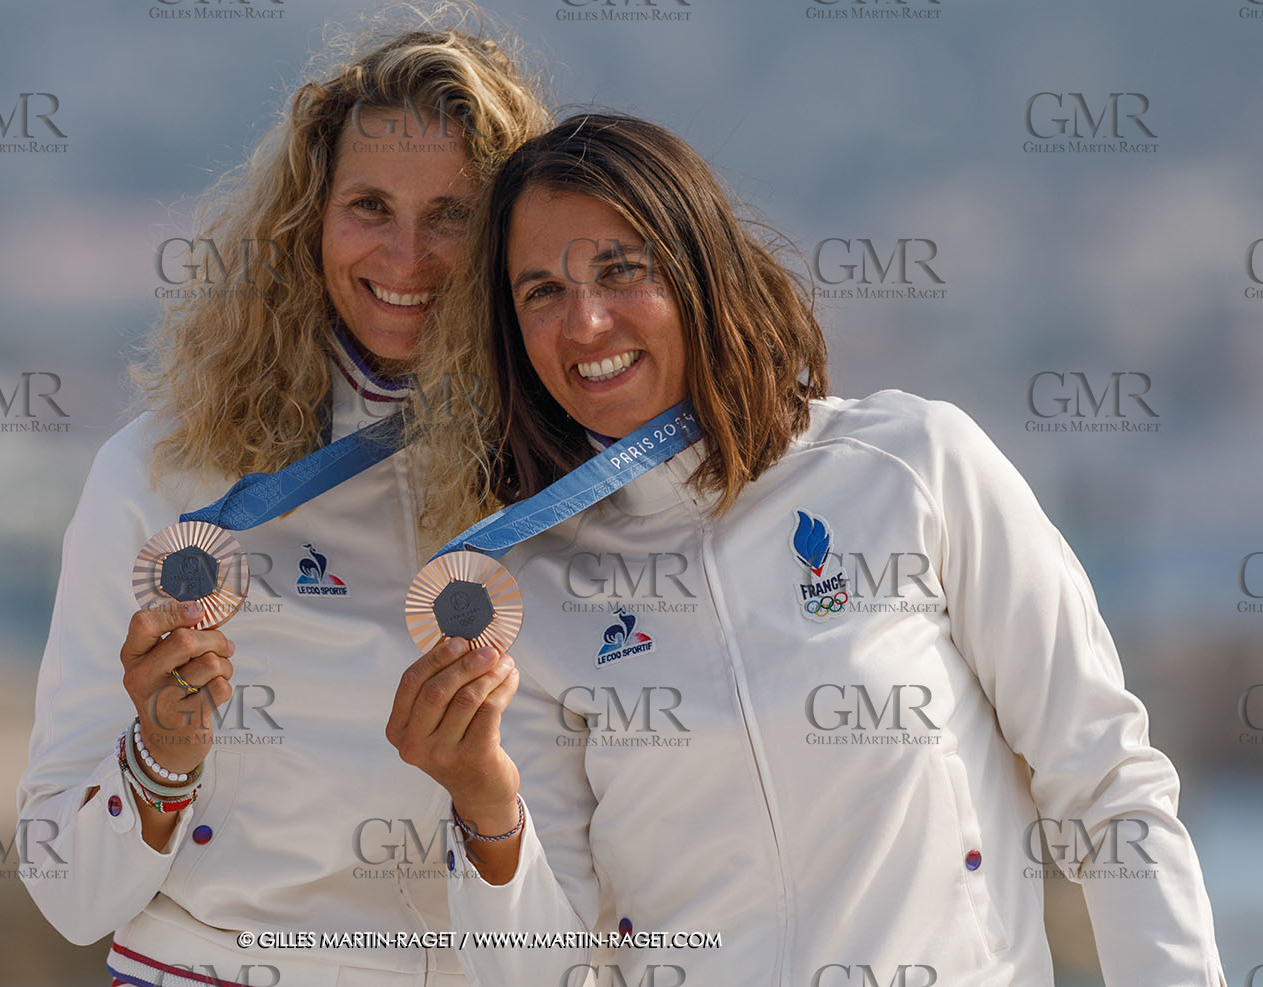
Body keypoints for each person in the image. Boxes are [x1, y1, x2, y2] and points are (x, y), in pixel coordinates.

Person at [387, 113, 1228, 986]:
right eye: (541, 293)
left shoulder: (911, 465)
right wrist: (485, 808)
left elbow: (1106, 781)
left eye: (621, 270)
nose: (586, 321)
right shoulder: (529, 594)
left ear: (701, 269)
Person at [17, 3, 549, 987]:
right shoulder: (160, 473)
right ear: (308, 221)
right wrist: (162, 756)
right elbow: (66, 893)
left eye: (453, 215)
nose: (405, 258)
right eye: (370, 208)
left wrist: (491, 808)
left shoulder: (569, 487)